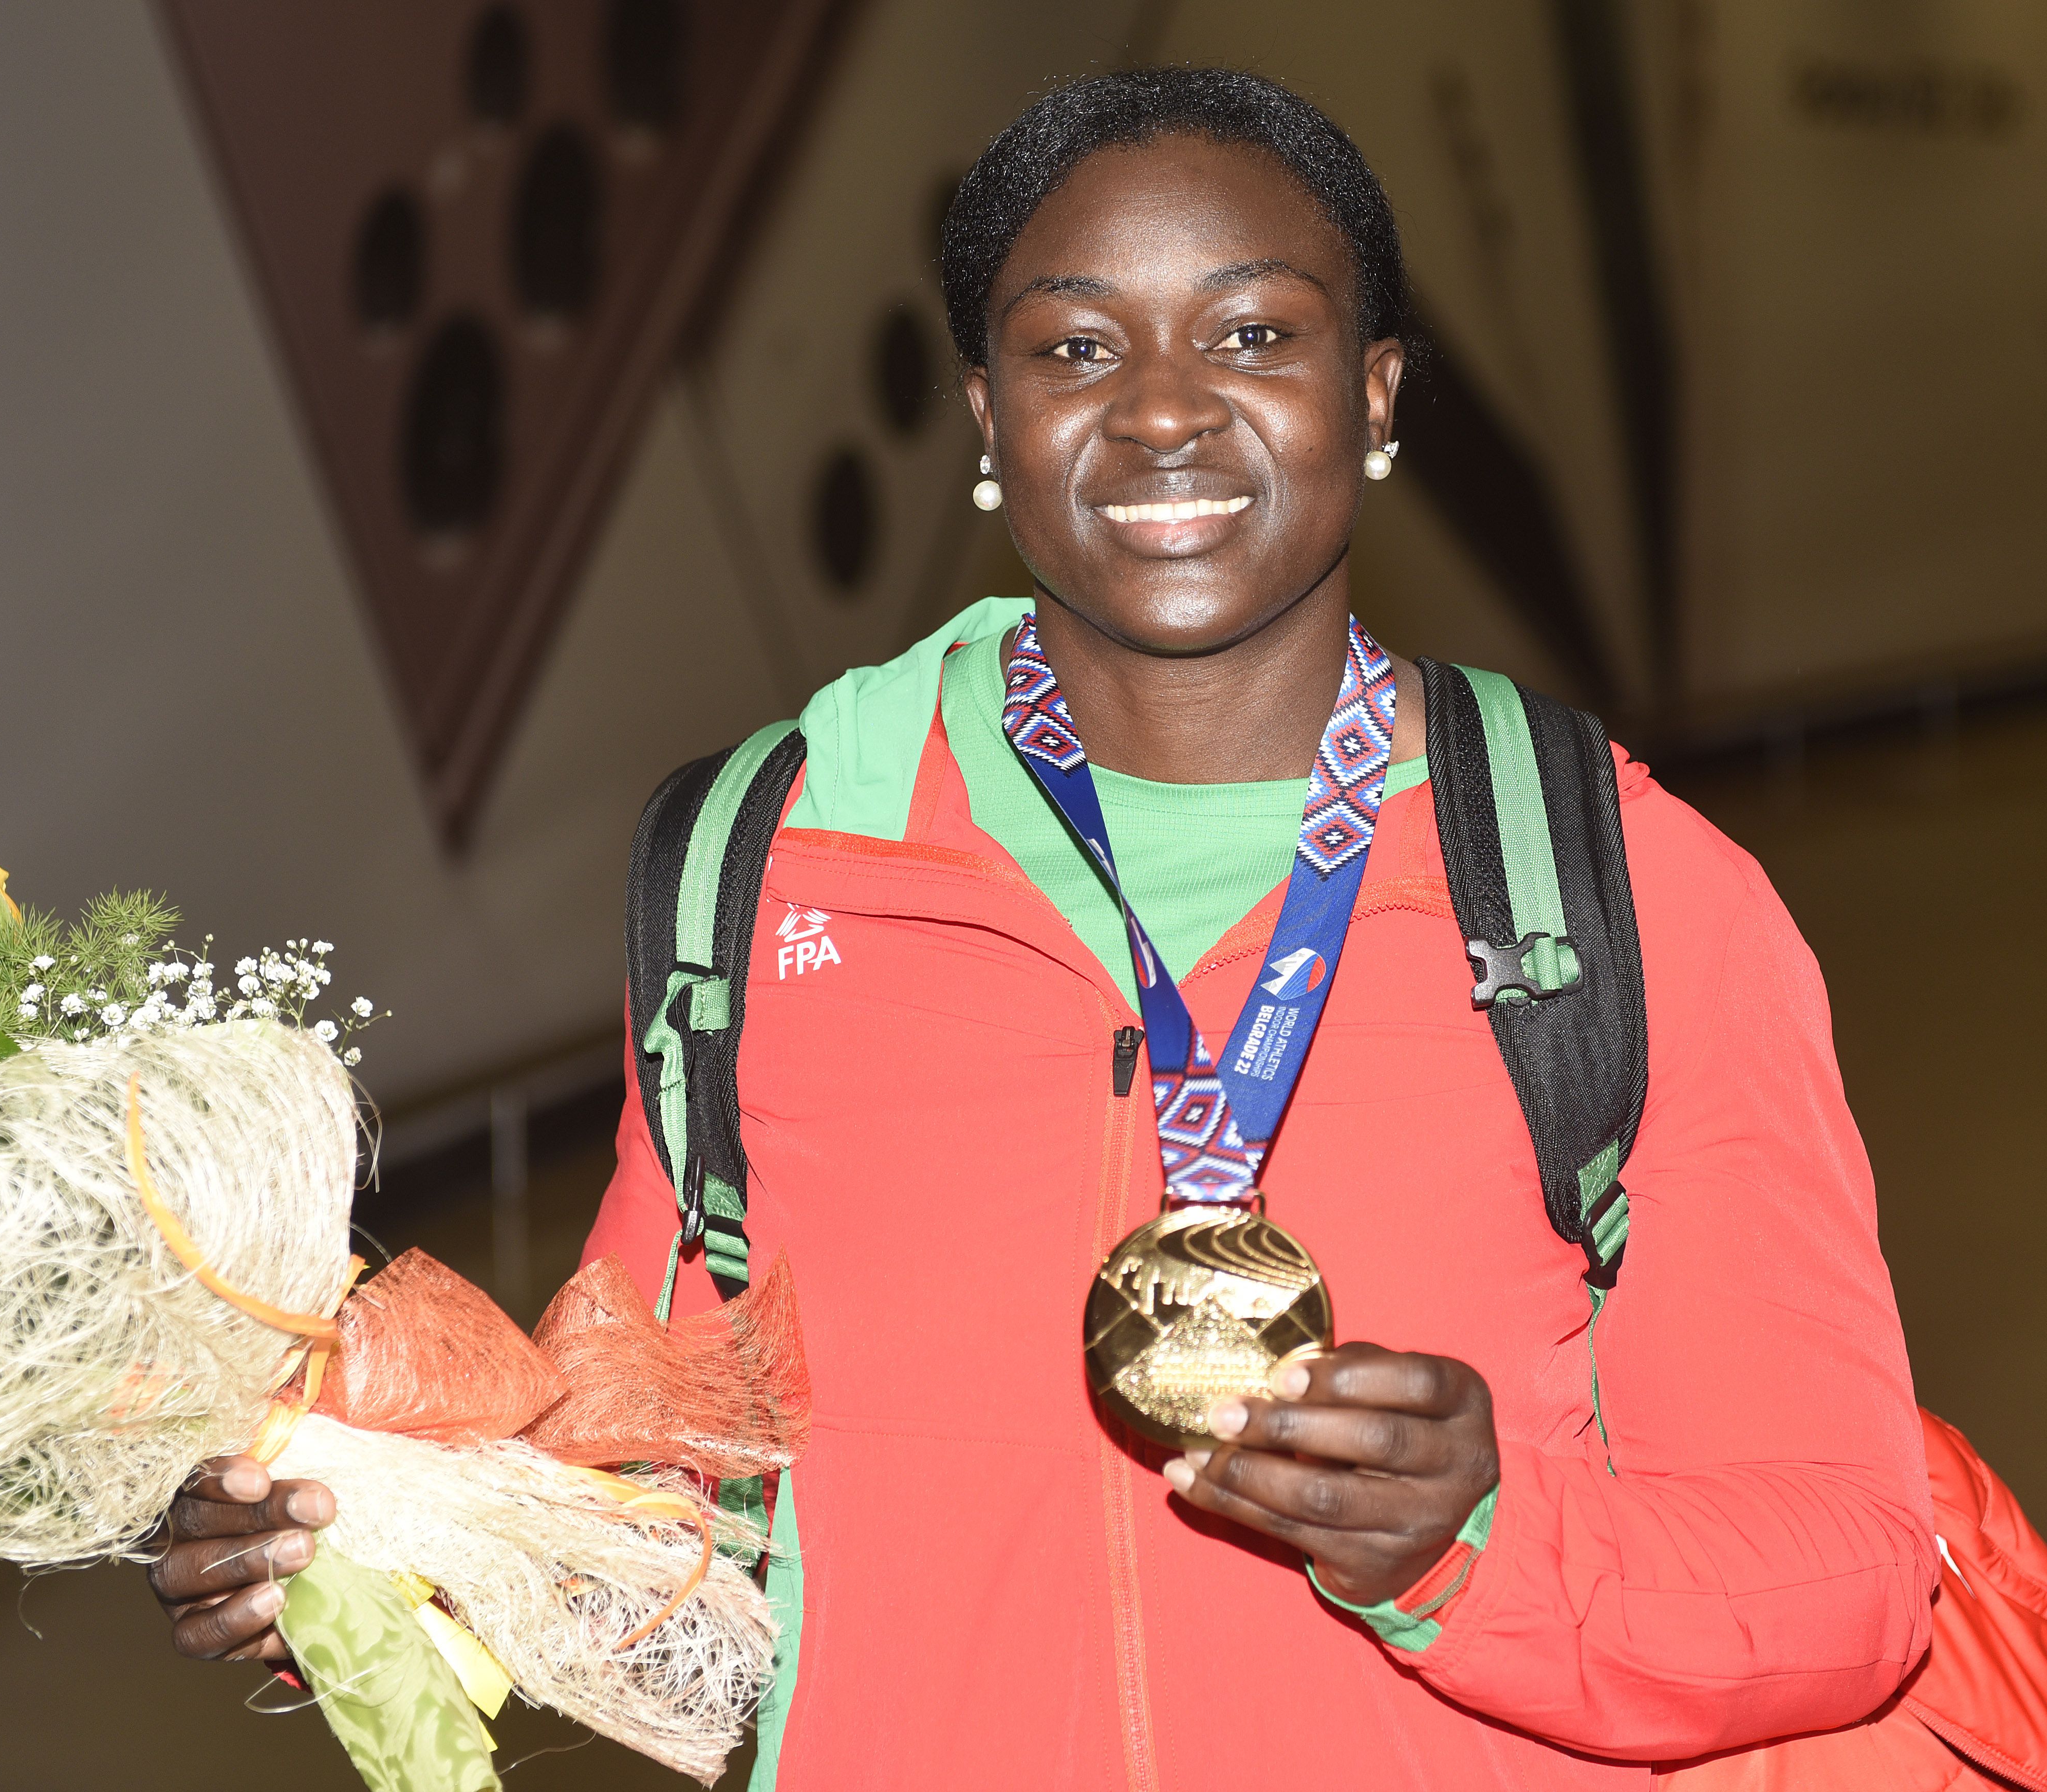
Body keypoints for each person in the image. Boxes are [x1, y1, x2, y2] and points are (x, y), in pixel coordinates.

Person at [151, 67, 1949, 1785]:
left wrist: (1479, 1541)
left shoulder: (1614, 896)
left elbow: (1849, 1572)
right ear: (986, 419)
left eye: (1257, 334)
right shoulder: (761, 867)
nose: (1165, 408)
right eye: (1077, 347)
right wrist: (365, 1543)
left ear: (1382, 395)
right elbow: (652, 1505)